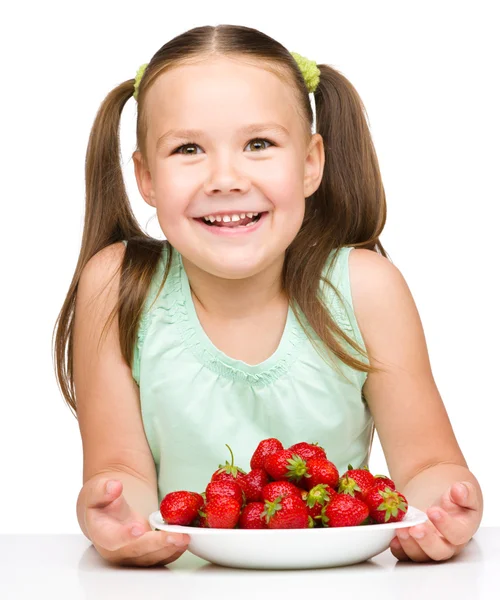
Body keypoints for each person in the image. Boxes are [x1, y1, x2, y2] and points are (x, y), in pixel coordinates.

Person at [53, 24, 483, 568]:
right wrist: (118, 519)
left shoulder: (366, 287)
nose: (226, 178)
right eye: (188, 148)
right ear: (146, 178)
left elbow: (427, 466)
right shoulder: (116, 286)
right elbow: (122, 471)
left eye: (259, 144)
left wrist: (446, 507)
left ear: (310, 163)